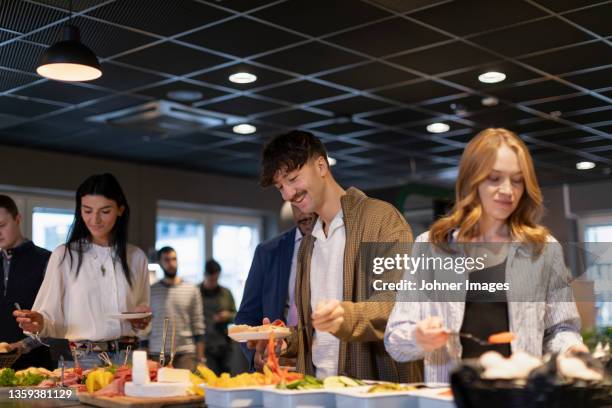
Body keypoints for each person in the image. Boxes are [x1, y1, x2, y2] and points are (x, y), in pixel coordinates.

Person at [385, 128, 587, 383]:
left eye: (517, 180)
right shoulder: (431, 247)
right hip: (451, 397)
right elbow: (395, 339)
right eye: (494, 178)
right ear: (473, 180)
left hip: (520, 397)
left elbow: (561, 328)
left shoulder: (544, 249)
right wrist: (418, 337)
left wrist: (571, 350)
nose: (508, 190)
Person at [251, 130, 422, 382]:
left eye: (293, 179)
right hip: (321, 389)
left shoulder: (380, 219)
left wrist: (345, 315)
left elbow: (398, 302)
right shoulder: (309, 243)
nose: (288, 195)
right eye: (280, 187)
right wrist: (286, 342)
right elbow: (314, 331)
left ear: (321, 165)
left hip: (373, 392)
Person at [14, 173, 151, 369]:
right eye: (87, 210)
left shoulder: (137, 257)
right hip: (83, 359)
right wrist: (38, 321)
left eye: (105, 211)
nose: (94, 219)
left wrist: (141, 321)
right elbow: (50, 318)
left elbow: (141, 315)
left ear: (120, 210)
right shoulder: (65, 255)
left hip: (129, 358)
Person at [235, 204, 315, 370]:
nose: (304, 210)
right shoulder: (268, 251)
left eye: (306, 198)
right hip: (277, 365)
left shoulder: (342, 244)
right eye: (295, 204)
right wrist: (255, 354)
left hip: (327, 364)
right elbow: (247, 316)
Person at [0, 195, 54, 370]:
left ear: (18, 219)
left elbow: (55, 319)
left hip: (36, 367)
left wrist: (22, 346)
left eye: (2, 225)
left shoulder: (46, 260)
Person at [146, 246, 205, 371]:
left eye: (174, 259)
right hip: (157, 352)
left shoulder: (192, 289)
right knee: (157, 389)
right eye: (167, 260)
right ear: (160, 263)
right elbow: (146, 325)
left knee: (186, 389)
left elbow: (198, 325)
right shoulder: (151, 291)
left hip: (186, 352)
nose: (171, 263)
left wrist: (201, 359)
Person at [200, 259, 236, 375]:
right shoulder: (196, 293)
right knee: (209, 380)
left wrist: (228, 316)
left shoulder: (226, 293)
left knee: (226, 379)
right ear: (205, 275)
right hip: (204, 346)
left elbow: (236, 315)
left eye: (216, 279)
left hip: (224, 344)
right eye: (211, 279)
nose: (214, 282)